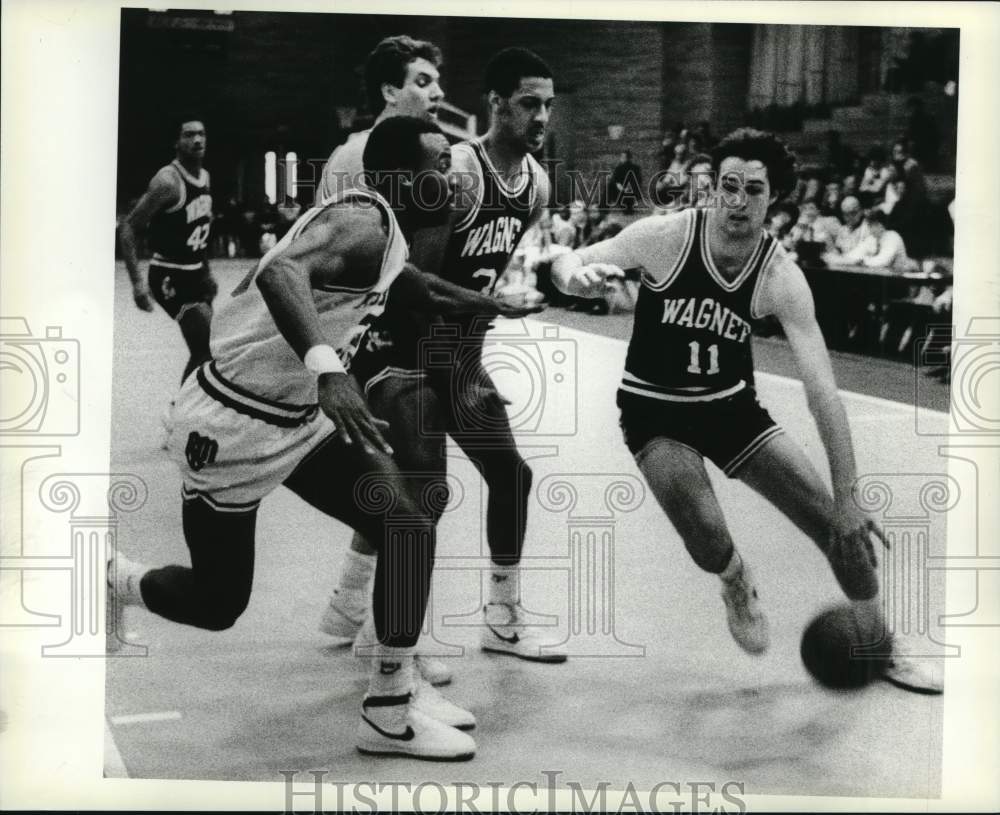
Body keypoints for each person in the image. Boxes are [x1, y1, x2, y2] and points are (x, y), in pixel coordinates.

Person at [107, 117, 551, 760]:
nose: (453, 178)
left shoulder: (390, 232)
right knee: (216, 601)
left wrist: (491, 306)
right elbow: (280, 272)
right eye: (439, 166)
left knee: (407, 522)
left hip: (293, 420)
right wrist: (330, 371)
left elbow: (415, 287)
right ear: (401, 179)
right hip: (233, 424)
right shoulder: (363, 220)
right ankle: (116, 580)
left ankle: (390, 705)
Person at [551, 127, 940, 694]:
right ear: (711, 187)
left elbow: (823, 392)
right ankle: (735, 578)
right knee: (707, 538)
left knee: (841, 531)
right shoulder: (665, 237)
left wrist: (850, 496)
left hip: (733, 410)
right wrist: (573, 273)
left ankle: (881, 640)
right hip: (655, 411)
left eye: (751, 189)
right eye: (726, 186)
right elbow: (572, 257)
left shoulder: (781, 276)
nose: (735, 200)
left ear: (773, 196)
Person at [322, 46, 567, 665]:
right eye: (528, 104)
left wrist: (470, 363)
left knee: (511, 476)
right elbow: (415, 285)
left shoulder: (536, 183)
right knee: (423, 495)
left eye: (548, 105)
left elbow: (478, 284)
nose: (541, 117)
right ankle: (390, 639)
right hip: (401, 345)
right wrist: (456, 365)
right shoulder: (454, 171)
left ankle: (502, 618)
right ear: (495, 105)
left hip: (454, 350)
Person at [118, 117, 216, 384]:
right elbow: (127, 227)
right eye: (188, 135)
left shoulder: (204, 176)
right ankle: (179, 413)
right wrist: (138, 284)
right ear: (176, 142)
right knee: (205, 348)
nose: (197, 140)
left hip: (195, 272)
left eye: (201, 134)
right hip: (170, 275)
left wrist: (207, 271)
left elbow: (200, 228)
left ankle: (186, 408)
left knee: (209, 350)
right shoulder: (168, 181)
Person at [318, 35, 444, 203]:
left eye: (436, 82)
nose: (439, 93)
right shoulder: (361, 152)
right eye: (423, 82)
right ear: (389, 92)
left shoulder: (405, 149)